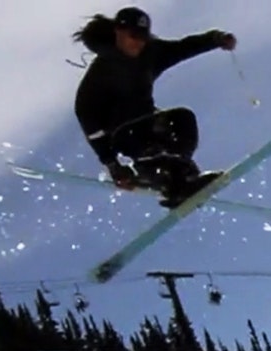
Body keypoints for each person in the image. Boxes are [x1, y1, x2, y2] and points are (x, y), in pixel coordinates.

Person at [71, 8, 237, 207]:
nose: (138, 43)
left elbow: (183, 47)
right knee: (148, 141)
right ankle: (157, 174)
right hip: (122, 133)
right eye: (134, 36)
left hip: (148, 121)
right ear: (119, 32)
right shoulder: (101, 72)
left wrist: (215, 39)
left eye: (143, 37)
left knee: (182, 120)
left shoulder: (150, 53)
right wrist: (113, 165)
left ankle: (181, 179)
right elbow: (87, 118)